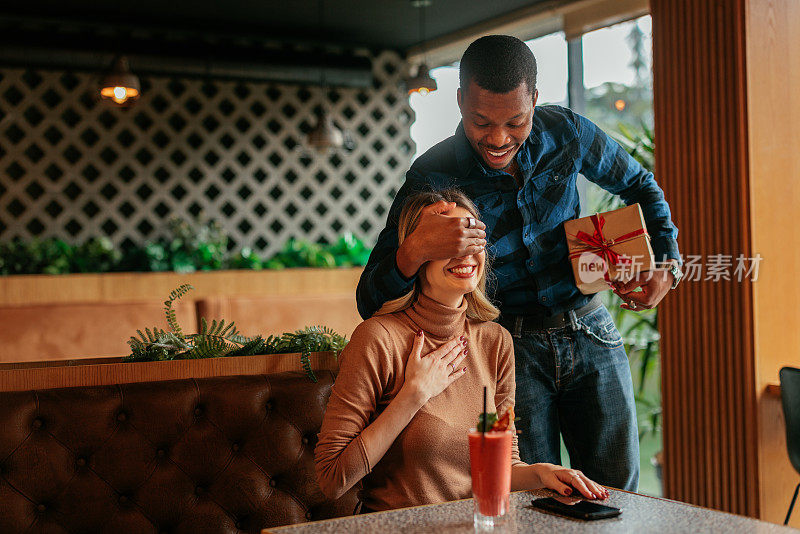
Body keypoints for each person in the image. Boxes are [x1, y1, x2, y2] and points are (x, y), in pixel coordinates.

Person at [355, 35, 683, 492]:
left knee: (619, 495)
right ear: (459, 101)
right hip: (505, 351)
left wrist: (666, 265)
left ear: (535, 97)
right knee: (532, 497)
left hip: (590, 332)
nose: (497, 138)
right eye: (480, 121)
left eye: (515, 121)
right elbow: (369, 299)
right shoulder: (433, 174)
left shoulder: (565, 132)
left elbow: (642, 187)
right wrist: (413, 250)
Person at [315, 189, 608, 512]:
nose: (463, 252)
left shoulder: (495, 341)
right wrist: (413, 396)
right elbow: (332, 479)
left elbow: (502, 466)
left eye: (471, 237)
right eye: (447, 242)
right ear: (416, 253)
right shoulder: (377, 339)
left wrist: (543, 472)